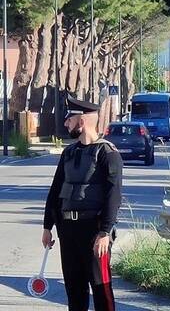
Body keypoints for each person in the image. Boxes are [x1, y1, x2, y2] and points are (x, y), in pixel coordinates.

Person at [41, 94, 123, 311]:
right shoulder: (68, 152)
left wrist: (105, 232)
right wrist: (47, 226)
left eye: (69, 118)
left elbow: (113, 195)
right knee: (74, 290)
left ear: (82, 120)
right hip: (68, 230)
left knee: (101, 289)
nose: (66, 123)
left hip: (94, 231)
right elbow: (56, 190)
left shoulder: (108, 153)